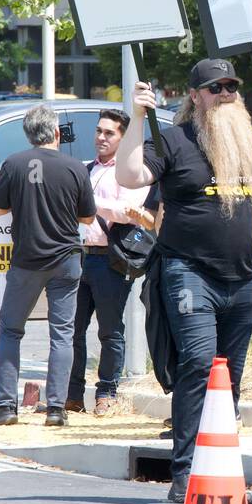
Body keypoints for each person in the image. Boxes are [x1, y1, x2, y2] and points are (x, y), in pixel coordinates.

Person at [115, 58, 252, 504]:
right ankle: (185, 475)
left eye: (231, 86)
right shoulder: (174, 140)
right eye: (215, 88)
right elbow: (129, 175)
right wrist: (137, 117)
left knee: (229, 379)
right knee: (197, 365)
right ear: (195, 97)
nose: (226, 94)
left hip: (242, 279)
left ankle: (221, 471)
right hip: (188, 273)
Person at [0, 105, 96, 428]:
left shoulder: (13, 164)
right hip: (67, 260)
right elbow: (88, 218)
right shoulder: (75, 167)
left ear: (29, 134)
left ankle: (4, 405)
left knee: (10, 330)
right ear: (57, 133)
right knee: (62, 335)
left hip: (27, 261)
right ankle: (56, 408)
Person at [68, 108, 155, 415]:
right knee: (72, 330)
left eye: (109, 133)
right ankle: (73, 394)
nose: (101, 138)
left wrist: (89, 203)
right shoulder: (88, 168)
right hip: (80, 257)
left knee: (110, 331)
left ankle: (107, 391)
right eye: (98, 131)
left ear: (123, 137)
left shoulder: (130, 172)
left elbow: (129, 210)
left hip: (111, 260)